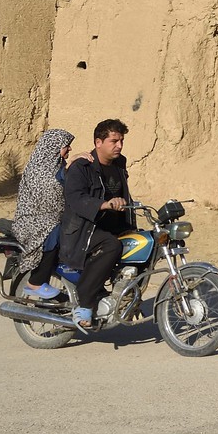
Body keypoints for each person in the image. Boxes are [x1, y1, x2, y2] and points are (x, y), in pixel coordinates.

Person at [58, 118, 134, 329]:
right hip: (83, 229)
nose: (119, 145)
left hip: (114, 226)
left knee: (143, 243)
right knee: (112, 245)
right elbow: (75, 198)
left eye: (121, 141)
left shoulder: (120, 163)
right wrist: (104, 204)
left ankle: (125, 295)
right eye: (114, 141)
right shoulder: (82, 166)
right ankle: (84, 304)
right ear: (98, 142)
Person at [10, 128, 74, 299]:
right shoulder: (39, 169)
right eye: (66, 146)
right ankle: (36, 282)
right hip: (32, 219)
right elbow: (52, 194)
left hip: (49, 215)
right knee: (54, 230)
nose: (69, 149)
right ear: (54, 147)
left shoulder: (58, 167)